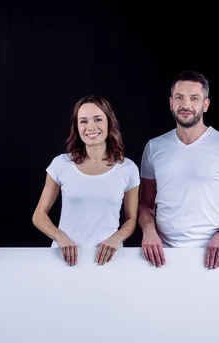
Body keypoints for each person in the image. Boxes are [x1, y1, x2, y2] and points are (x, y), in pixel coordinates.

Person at [139, 70, 219, 268]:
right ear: (171, 102)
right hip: (162, 256)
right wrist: (149, 232)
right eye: (179, 97)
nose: (186, 105)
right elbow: (145, 204)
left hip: (212, 256)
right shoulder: (154, 147)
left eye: (194, 98)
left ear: (205, 105)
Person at [32, 95, 140, 266]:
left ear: (109, 123)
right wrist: (60, 237)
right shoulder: (61, 164)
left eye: (98, 119)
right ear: (76, 127)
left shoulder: (128, 168)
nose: (91, 127)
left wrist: (116, 239)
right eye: (83, 121)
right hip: (64, 259)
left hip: (109, 260)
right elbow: (39, 215)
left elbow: (131, 219)